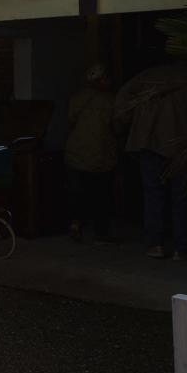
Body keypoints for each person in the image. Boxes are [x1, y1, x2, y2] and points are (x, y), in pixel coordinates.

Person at [114, 58, 187, 260]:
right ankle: (181, 247)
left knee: (153, 195)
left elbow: (122, 101)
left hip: (150, 142)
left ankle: (155, 244)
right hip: (183, 145)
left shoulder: (148, 76)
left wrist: (124, 126)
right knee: (182, 197)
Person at [63, 62, 117, 244]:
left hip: (75, 153)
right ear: (102, 79)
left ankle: (75, 224)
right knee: (101, 195)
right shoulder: (110, 101)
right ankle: (101, 233)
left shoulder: (77, 98)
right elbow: (117, 126)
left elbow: (70, 121)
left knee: (77, 193)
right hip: (100, 156)